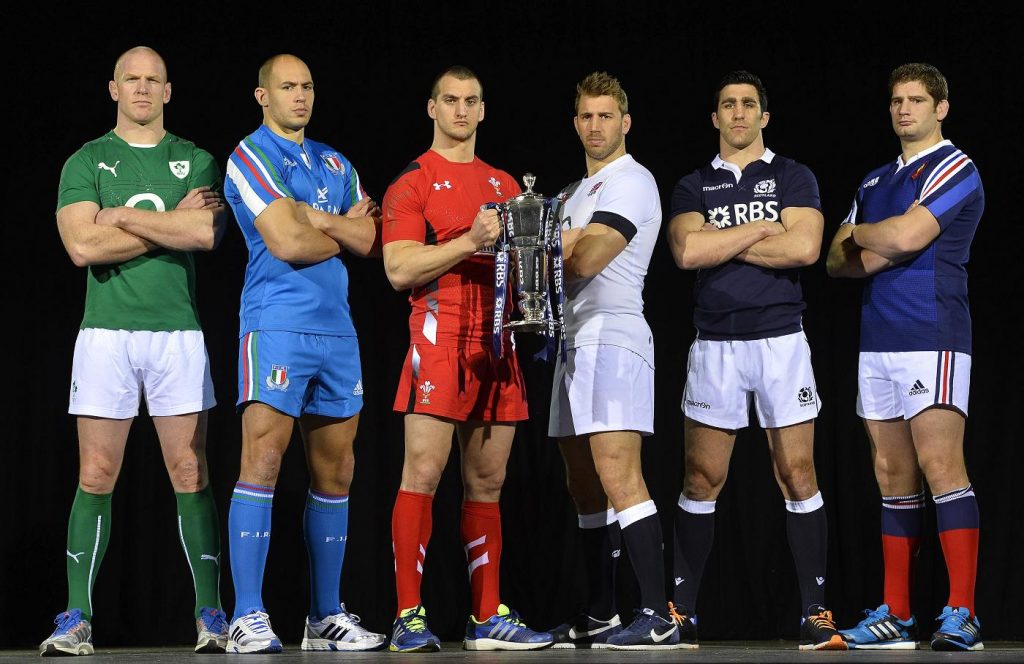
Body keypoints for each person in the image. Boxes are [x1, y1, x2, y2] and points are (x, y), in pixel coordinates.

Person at [41, 46, 228, 657]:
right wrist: (165, 222)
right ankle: (77, 616)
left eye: (153, 80)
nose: (143, 89)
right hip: (106, 333)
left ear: (168, 91)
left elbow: (203, 232)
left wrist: (117, 218)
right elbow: (81, 247)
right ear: (114, 88)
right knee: (96, 473)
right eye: (132, 79)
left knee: (191, 471)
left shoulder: (196, 158)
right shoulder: (86, 159)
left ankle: (210, 614)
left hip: (178, 333)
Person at [667, 70, 846, 651]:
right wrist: (762, 228)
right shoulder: (693, 183)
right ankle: (682, 613)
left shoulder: (793, 174)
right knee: (702, 477)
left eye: (748, 104)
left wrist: (725, 241)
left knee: (798, 473)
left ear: (764, 116)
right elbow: (687, 250)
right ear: (715, 117)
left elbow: (806, 247)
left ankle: (815, 612)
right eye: (728, 105)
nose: (738, 113)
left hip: (781, 340)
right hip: (714, 343)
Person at [381, 64, 553, 652]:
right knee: (423, 474)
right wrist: (469, 241)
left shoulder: (505, 185)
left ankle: (486, 617)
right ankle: (408, 616)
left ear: (483, 110)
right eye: (450, 100)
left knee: (488, 481)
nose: (461, 110)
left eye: (471, 101)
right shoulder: (413, 180)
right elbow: (398, 268)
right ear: (432, 108)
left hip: (498, 341)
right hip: (439, 337)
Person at [222, 53, 385, 654]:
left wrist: (317, 217)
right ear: (262, 95)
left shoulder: (336, 162)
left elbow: (374, 239)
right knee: (263, 461)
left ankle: (324, 616)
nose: (300, 96)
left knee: (337, 472)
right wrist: (339, 225)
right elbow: (288, 242)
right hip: (277, 325)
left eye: (308, 86)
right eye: (287, 86)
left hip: (337, 331)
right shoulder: (251, 155)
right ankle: (247, 614)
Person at [827, 62, 984, 652]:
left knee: (941, 467)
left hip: (933, 334)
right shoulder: (874, 181)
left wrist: (865, 233)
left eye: (916, 100)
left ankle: (963, 611)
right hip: (878, 340)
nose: (904, 109)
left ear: (940, 108)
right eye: (897, 100)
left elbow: (905, 238)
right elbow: (836, 261)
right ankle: (896, 613)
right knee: (892, 476)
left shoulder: (955, 166)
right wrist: (879, 233)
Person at [544, 71, 680, 650]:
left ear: (625, 122)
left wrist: (556, 245)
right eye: (586, 116)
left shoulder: (633, 180)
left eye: (606, 116)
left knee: (619, 474)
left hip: (615, 337)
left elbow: (587, 261)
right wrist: (565, 240)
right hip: (572, 341)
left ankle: (656, 613)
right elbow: (561, 257)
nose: (595, 125)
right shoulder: (572, 194)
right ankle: (600, 612)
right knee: (582, 484)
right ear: (575, 123)